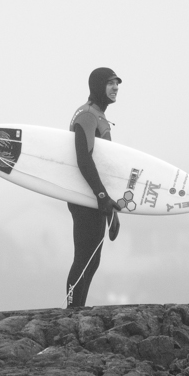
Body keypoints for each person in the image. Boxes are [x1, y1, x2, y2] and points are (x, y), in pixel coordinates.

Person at [65, 67, 123, 309]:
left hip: (95, 196)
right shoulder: (87, 115)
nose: (115, 87)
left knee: (93, 259)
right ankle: (71, 311)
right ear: (98, 86)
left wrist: (108, 201)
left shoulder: (99, 115)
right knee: (84, 257)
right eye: (110, 83)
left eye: (117, 83)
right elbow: (83, 157)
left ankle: (78, 310)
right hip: (84, 196)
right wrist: (101, 196)